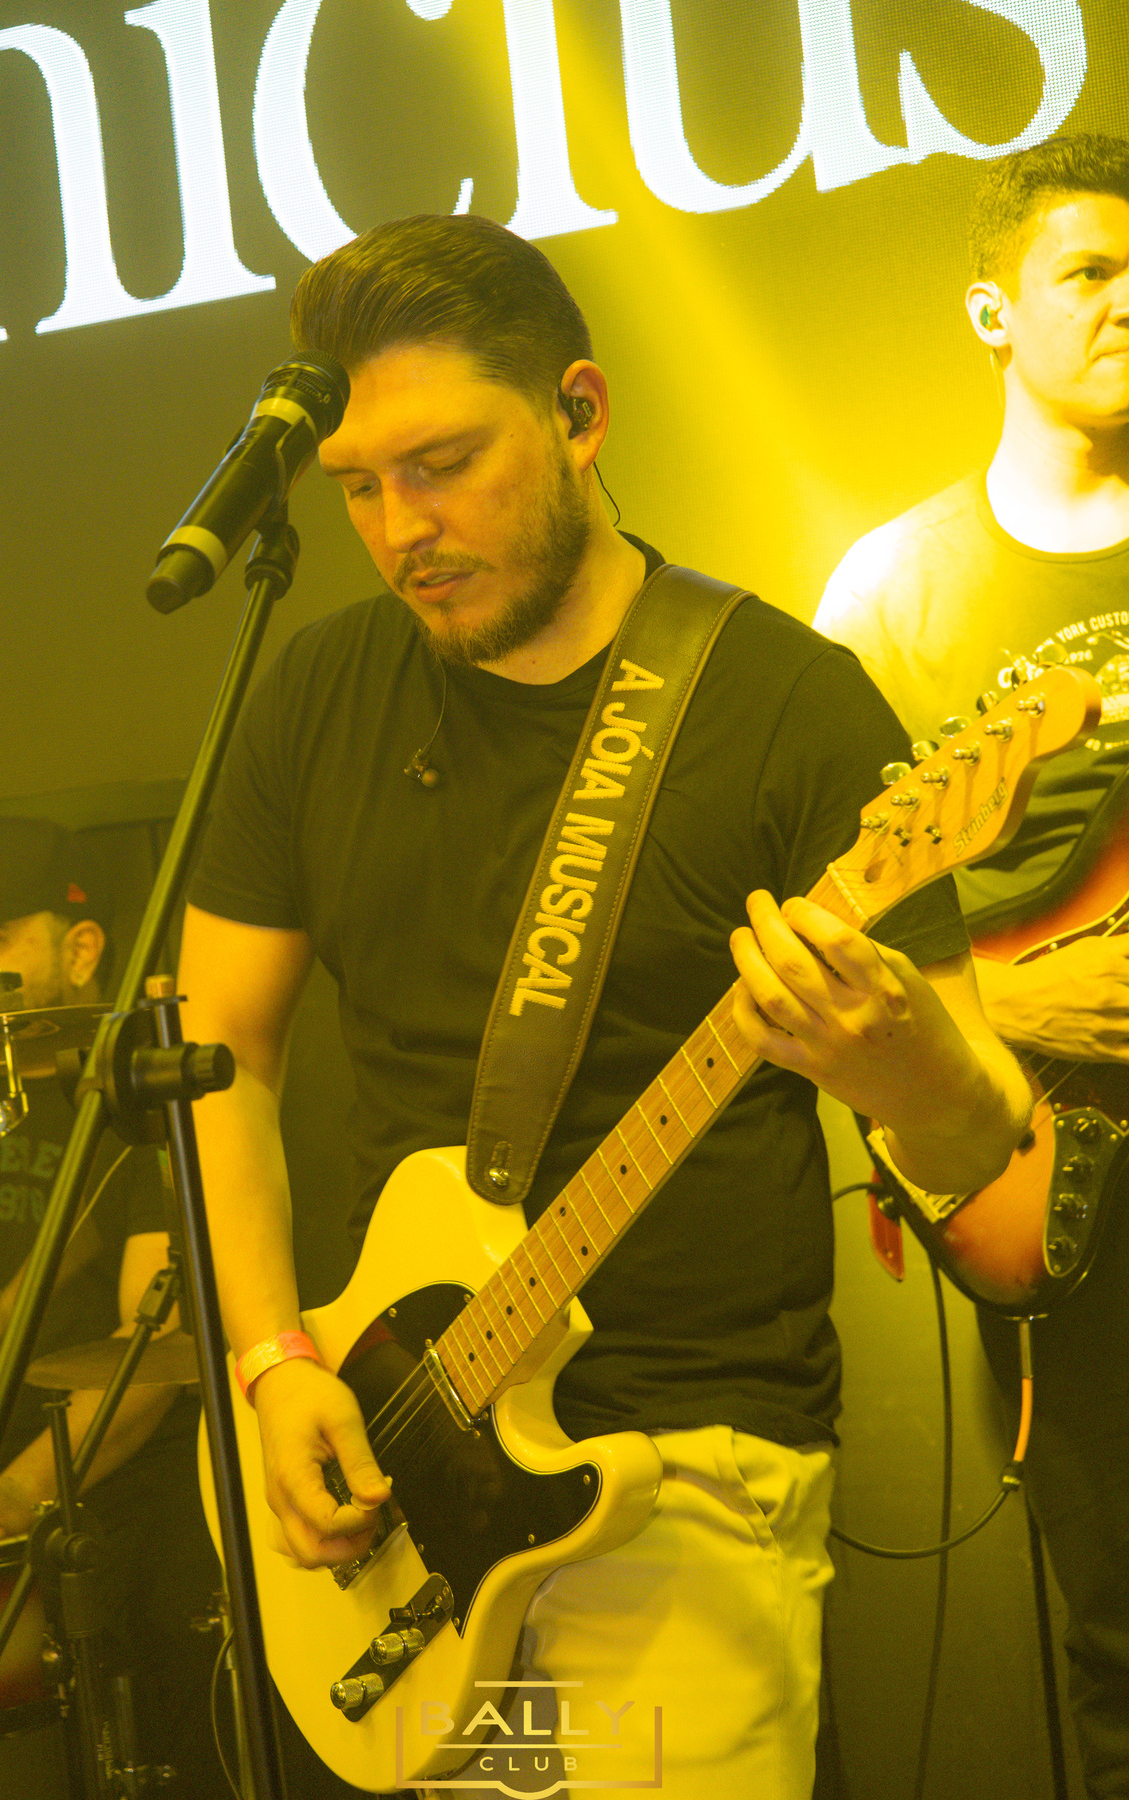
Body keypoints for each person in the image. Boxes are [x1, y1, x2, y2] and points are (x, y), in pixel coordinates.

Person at [179, 213, 1031, 1800]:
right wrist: (275, 1358)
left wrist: (898, 1058)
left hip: (685, 1489)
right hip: (409, 1477)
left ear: (579, 413)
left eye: (444, 464)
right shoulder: (314, 695)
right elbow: (216, 1050)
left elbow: (986, 1137)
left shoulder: (786, 705)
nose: (402, 527)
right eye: (359, 485)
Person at [814, 133, 1129, 1800]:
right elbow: (825, 932)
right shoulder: (893, 592)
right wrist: (1003, 1007)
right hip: (1059, 1172)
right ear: (993, 310)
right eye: (1092, 271)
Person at [0, 814, 231, 1799]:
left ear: (83, 949)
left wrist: (9, 1499)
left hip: (101, 1505)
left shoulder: (141, 1102)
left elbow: (153, 1350)